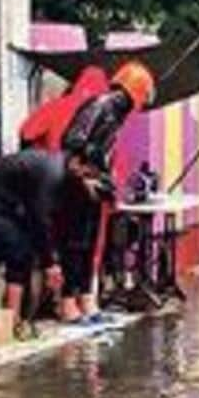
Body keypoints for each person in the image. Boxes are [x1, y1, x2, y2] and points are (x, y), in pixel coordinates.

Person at [0, 149, 107, 335]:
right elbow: (39, 219)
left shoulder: (64, 172)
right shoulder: (52, 175)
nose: (87, 178)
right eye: (86, 172)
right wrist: (50, 264)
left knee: (25, 249)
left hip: (10, 201)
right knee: (18, 251)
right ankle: (13, 320)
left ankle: (18, 316)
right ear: (76, 162)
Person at [57, 60, 155, 323]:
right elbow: (72, 140)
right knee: (75, 243)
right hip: (77, 179)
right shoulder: (101, 105)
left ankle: (87, 301)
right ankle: (68, 304)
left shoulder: (117, 114)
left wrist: (107, 180)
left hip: (95, 181)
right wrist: (95, 162)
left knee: (90, 243)